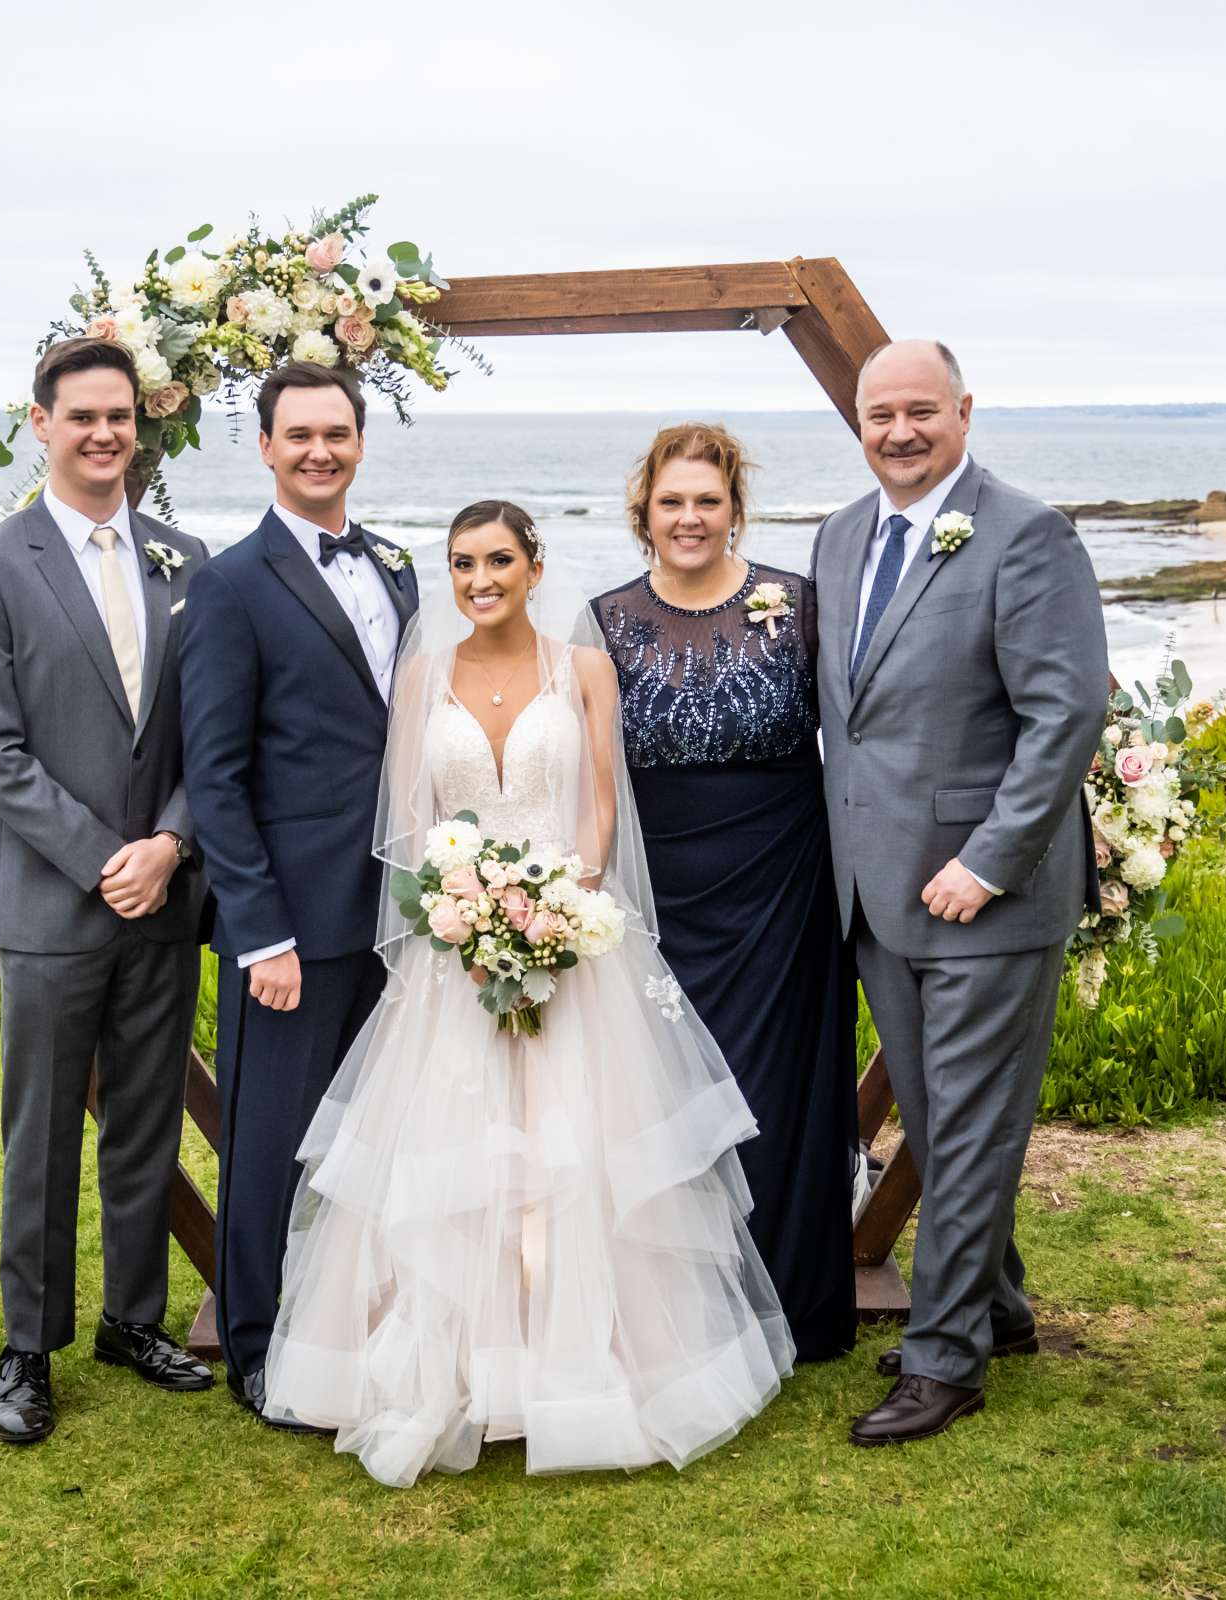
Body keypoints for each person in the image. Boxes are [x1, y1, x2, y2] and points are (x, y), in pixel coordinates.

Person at [261, 501, 794, 1486]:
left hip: (571, 942)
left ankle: (579, 1371)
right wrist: (465, 918)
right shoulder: (423, 677)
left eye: (498, 559)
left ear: (535, 565)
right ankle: (462, 1373)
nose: (479, 579)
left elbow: (600, 803)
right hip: (455, 953)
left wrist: (559, 901)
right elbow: (415, 824)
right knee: (454, 1163)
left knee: (575, 1157)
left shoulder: (582, 668)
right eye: (462, 563)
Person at [809, 340, 1108, 1447]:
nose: (898, 431)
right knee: (940, 1121)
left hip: (984, 893)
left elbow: (1064, 714)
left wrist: (988, 861)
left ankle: (946, 1361)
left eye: (920, 411)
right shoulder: (840, 537)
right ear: (858, 421)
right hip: (875, 894)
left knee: (972, 1125)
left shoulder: (1029, 536)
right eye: (879, 413)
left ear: (965, 413)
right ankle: (997, 1306)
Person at [0, 336, 214, 1446]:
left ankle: (133, 1320)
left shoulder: (186, 560)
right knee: (41, 1133)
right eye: (82, 416)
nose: (104, 433)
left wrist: (173, 845)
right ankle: (26, 1345)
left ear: (140, 429)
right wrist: (113, 855)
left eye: (120, 416)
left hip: (163, 897)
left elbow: (210, 735)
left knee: (146, 1122)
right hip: (57, 902)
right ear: (43, 423)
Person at [177, 362, 419, 1429]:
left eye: (338, 432)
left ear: (360, 442)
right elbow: (215, 773)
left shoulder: (400, 566)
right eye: (299, 434)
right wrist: (260, 930)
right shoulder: (232, 585)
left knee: (385, 1133)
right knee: (270, 1142)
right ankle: (259, 1344)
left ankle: (363, 1318)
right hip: (289, 925)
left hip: (400, 915)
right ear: (266, 447)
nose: (320, 450)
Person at [587, 425, 857, 1361]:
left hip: (784, 883)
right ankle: (682, 1308)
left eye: (707, 501)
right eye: (672, 502)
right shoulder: (605, 620)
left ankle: (792, 1299)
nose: (690, 518)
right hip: (658, 892)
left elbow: (866, 736)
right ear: (644, 515)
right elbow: (581, 768)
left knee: (777, 1089)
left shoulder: (802, 604)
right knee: (661, 1090)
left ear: (735, 508)